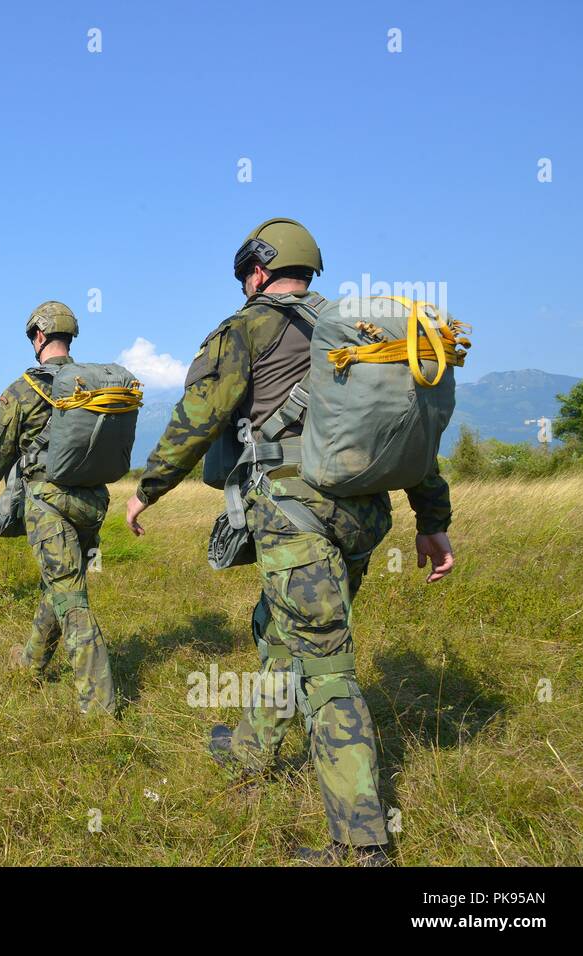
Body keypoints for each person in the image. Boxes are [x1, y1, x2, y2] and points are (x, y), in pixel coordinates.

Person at [124, 218, 456, 865]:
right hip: (361, 520)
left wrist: (147, 489)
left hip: (293, 518)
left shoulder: (245, 329)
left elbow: (197, 419)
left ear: (256, 269)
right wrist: (432, 519)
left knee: (328, 672)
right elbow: (410, 434)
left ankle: (362, 845)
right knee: (280, 630)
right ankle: (251, 749)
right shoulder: (362, 337)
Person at [0, 301, 117, 716]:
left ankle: (101, 709)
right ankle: (31, 662)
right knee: (60, 583)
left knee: (71, 598)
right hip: (93, 501)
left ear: (38, 336)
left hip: (48, 503)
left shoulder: (22, 389)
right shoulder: (92, 384)